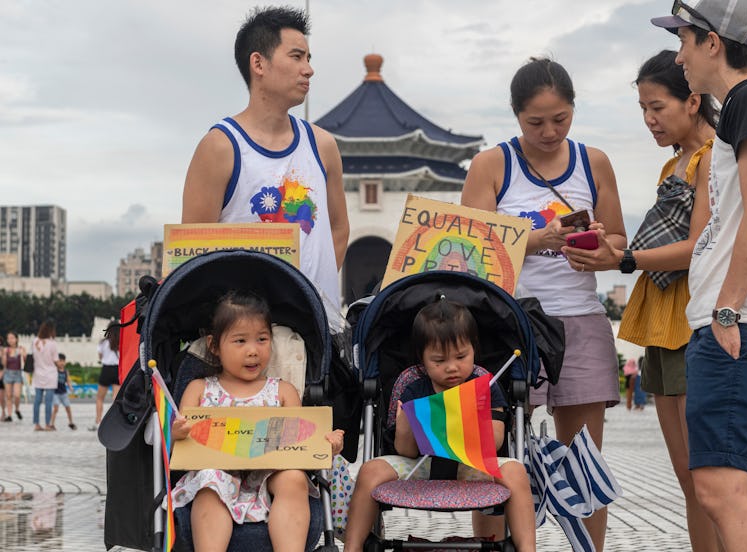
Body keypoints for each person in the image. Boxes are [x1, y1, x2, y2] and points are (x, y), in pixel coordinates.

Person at [651, 2, 747, 551]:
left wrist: (726, 309)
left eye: (685, 41)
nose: (679, 55)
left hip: (745, 325)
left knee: (721, 490)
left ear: (713, 42)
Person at [461, 56, 625, 551]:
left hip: (580, 320)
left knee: (584, 456)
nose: (550, 131)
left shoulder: (593, 161)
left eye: (561, 119)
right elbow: (468, 249)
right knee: (493, 453)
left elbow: (618, 239)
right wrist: (541, 239)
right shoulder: (492, 164)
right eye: (536, 122)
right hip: (510, 324)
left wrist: (597, 244)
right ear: (515, 116)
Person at [562, 49, 720, 550]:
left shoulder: (714, 157)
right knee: (690, 479)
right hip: (665, 322)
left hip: (695, 320)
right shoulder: (675, 163)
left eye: (658, 107)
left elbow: (699, 247)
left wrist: (623, 261)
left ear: (692, 100)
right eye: (643, 110)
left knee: (710, 480)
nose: (650, 120)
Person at [180, 6, 349, 309]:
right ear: (258, 63)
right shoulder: (220, 147)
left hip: (318, 333)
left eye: (309, 59)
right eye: (297, 57)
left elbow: (339, 228)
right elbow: (191, 254)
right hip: (246, 342)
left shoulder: (322, 145)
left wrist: (307, 294)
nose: (308, 69)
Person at [343, 300, 536, 552]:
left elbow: (495, 442)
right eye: (439, 360)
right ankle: (353, 547)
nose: (452, 367)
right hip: (422, 464)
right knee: (369, 471)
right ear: (422, 359)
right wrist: (406, 424)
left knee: (517, 472)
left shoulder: (485, 386)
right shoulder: (414, 388)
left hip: (471, 463)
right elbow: (406, 451)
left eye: (461, 356)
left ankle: (527, 548)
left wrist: (464, 418)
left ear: (473, 350)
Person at [170, 290, 344, 552]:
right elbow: (183, 447)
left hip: (269, 475)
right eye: (240, 341)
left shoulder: (283, 391)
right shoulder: (198, 389)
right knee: (210, 481)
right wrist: (177, 433)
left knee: (294, 477)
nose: (253, 351)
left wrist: (325, 446)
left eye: (262, 339)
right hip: (215, 472)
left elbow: (300, 444)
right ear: (214, 346)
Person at [90, 323, 120, 431]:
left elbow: (100, 356)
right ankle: (115, 421)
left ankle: (98, 421)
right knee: (116, 399)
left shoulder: (103, 343)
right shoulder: (121, 343)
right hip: (117, 370)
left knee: (99, 398)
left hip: (106, 370)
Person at [31, 321, 59, 432]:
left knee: (37, 400)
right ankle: (47, 424)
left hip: (38, 374)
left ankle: (37, 424)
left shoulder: (35, 341)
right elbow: (56, 360)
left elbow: (32, 356)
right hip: (50, 374)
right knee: (48, 401)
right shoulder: (52, 343)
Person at [2, 332, 26, 422]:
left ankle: (17, 409)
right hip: (8, 373)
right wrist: (3, 357)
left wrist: (24, 355)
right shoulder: (5, 350)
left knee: (17, 395)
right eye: (8, 338)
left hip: (17, 374)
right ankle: (9, 415)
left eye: (12, 338)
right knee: (8, 396)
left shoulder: (20, 349)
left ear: (16, 339)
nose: (10, 340)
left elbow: (26, 362)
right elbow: (4, 365)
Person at [50, 353, 77, 430]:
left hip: (64, 393)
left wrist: (70, 387)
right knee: (56, 408)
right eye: (60, 361)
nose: (61, 363)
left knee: (68, 408)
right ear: (56, 362)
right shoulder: (54, 370)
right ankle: (52, 424)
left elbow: (68, 380)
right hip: (55, 393)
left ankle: (71, 422)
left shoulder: (66, 371)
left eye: (63, 361)